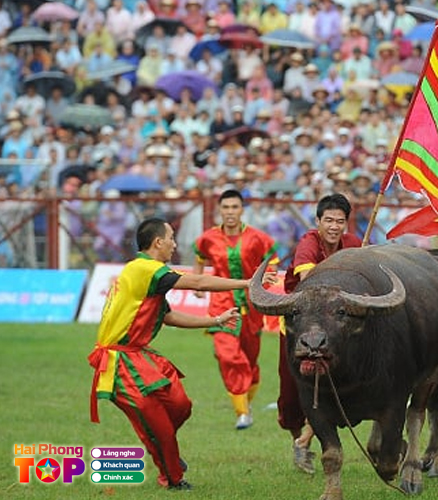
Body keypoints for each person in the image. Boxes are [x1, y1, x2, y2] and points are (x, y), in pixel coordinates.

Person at [88, 217, 269, 490]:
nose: (174, 243)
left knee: (180, 406)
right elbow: (197, 281)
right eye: (171, 237)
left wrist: (215, 320)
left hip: (139, 356)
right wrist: (247, 284)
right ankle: (172, 478)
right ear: (158, 242)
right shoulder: (144, 269)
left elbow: (168, 317)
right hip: (120, 362)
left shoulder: (147, 272)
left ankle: (161, 447)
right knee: (160, 429)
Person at [279, 193, 361, 474]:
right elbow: (309, 283)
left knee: (333, 386)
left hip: (337, 330)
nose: (334, 226)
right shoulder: (308, 243)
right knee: (292, 395)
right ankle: (298, 439)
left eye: (340, 221)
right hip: (299, 327)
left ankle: (304, 441)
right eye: (329, 220)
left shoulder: (353, 245)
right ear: (318, 222)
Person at [193, 189, 280, 430]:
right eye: (226, 207)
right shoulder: (207, 238)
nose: (230, 212)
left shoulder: (258, 238)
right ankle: (242, 412)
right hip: (221, 303)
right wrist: (198, 282)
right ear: (219, 210)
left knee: (250, 359)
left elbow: (271, 263)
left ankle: (246, 403)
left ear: (242, 210)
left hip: (252, 305)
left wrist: (268, 279)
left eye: (234, 207)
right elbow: (199, 258)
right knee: (227, 354)